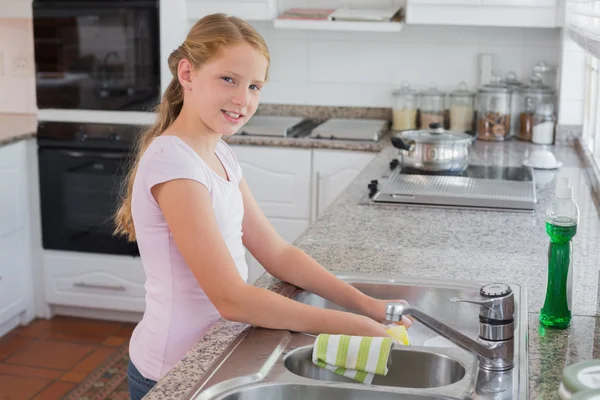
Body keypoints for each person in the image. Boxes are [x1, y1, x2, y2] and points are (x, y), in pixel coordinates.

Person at [113, 13, 411, 400]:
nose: (243, 99)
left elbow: (277, 253)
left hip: (217, 354)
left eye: (255, 86)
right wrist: (345, 325)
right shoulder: (174, 164)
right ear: (187, 74)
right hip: (174, 370)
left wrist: (366, 305)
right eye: (228, 80)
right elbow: (231, 297)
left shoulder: (218, 153)